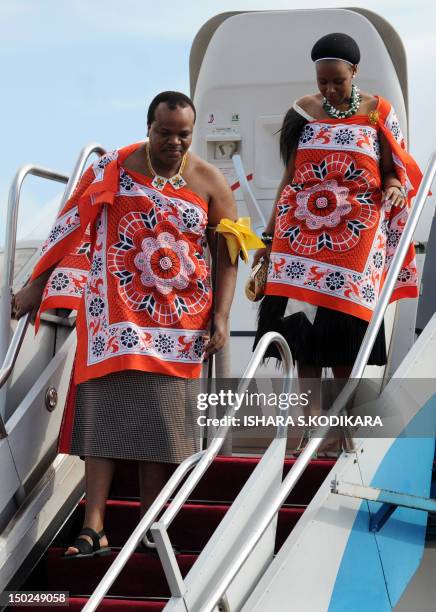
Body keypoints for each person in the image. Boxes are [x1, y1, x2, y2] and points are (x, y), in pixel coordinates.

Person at [12, 91, 238, 557]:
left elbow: (229, 256)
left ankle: (149, 524)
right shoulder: (111, 166)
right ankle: (93, 527)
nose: (174, 142)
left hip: (180, 324)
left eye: (184, 135)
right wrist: (38, 282)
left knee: (158, 424)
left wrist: (221, 316)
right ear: (148, 126)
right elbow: (71, 223)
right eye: (164, 132)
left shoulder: (212, 182)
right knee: (104, 417)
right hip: (114, 312)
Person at [253, 33, 422, 451]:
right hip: (301, 233)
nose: (328, 89)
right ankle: (306, 425)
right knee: (303, 336)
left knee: (345, 335)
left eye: (337, 82)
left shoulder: (379, 111)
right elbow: (290, 178)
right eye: (322, 81)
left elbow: (392, 167)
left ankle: (339, 428)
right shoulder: (302, 112)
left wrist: (397, 186)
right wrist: (271, 235)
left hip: (354, 235)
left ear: (354, 73)